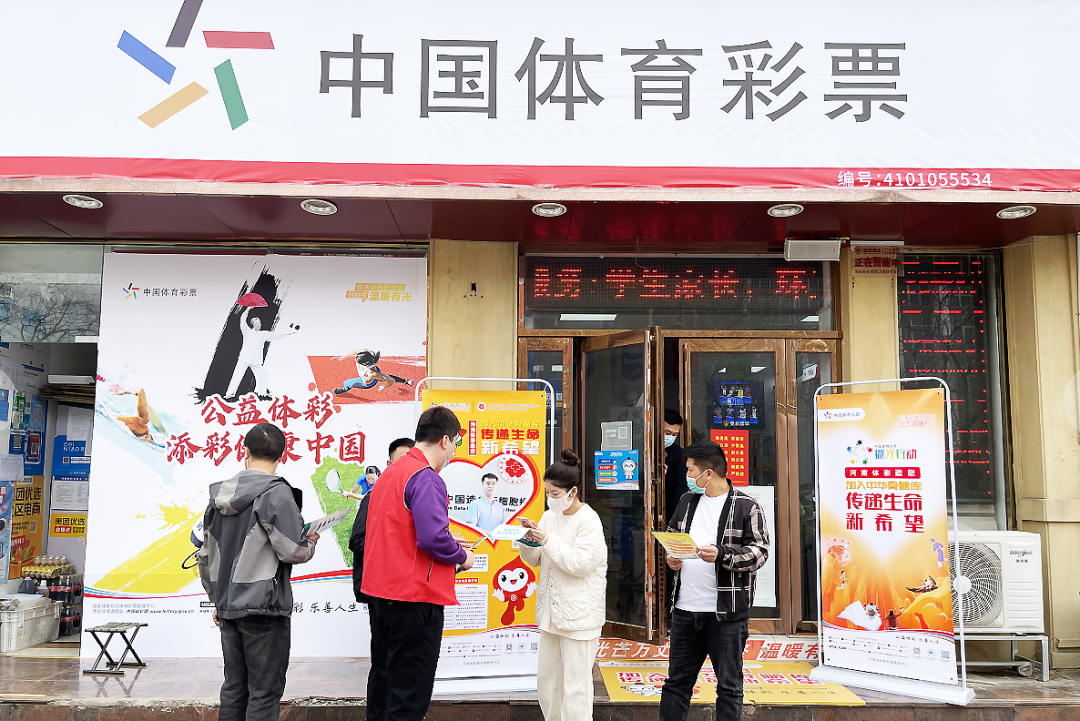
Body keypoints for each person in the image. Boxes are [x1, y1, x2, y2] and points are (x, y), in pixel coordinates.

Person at [197, 423, 320, 721]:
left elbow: (205, 555)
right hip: (264, 608)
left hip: (228, 606)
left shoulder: (218, 497)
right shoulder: (277, 493)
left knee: (234, 688)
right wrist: (311, 541)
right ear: (282, 455)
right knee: (264, 692)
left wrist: (218, 599)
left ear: (245, 452)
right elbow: (293, 550)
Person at [361, 407, 475, 721]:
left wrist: (447, 542)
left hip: (382, 594)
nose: (454, 451)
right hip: (413, 598)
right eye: (456, 443)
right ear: (445, 441)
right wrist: (462, 556)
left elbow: (403, 531)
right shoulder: (426, 478)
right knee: (409, 696)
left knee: (384, 683)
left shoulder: (391, 473)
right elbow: (433, 539)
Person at [660, 441, 769, 721]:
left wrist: (722, 554)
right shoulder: (687, 501)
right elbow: (672, 536)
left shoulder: (746, 506)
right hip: (685, 609)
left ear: (708, 474)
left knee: (729, 687)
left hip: (726, 614)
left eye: (690, 470)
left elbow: (759, 553)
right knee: (676, 684)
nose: (687, 476)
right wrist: (672, 557)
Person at [519, 449, 608, 721]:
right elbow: (535, 559)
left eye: (555, 493)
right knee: (548, 684)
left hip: (580, 617)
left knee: (576, 687)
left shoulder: (589, 520)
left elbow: (580, 564)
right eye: (547, 493)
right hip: (552, 614)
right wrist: (528, 540)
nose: (550, 498)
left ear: (572, 492)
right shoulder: (549, 517)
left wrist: (547, 540)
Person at [226, 306, 297, 401]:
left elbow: (275, 336)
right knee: (237, 376)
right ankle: (229, 395)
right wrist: (247, 310)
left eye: (260, 323)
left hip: (255, 360)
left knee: (263, 374)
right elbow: (242, 320)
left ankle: (261, 393)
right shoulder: (246, 331)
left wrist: (287, 332)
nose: (260, 324)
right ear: (253, 324)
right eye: (258, 323)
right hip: (245, 358)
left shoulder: (262, 334)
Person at [333, 349, 414, 395]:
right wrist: (343, 357)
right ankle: (406, 381)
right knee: (384, 376)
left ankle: (345, 389)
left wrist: (384, 387)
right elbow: (356, 352)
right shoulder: (364, 351)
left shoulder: (371, 373)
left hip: (368, 382)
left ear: (365, 363)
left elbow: (391, 380)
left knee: (346, 382)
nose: (356, 359)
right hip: (374, 373)